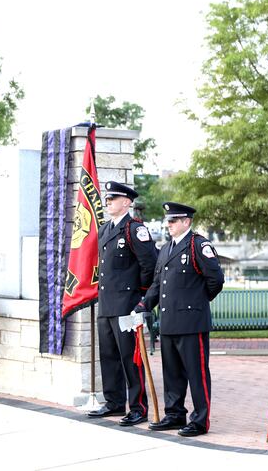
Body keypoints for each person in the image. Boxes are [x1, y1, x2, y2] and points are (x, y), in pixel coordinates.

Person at [134, 202, 224, 437]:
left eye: (174, 220)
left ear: (187, 222)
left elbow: (215, 280)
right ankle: (174, 414)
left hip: (192, 322)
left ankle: (200, 421)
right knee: (172, 372)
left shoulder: (198, 245)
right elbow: (157, 284)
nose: (169, 224)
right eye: (168, 220)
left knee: (197, 373)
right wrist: (144, 304)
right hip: (169, 322)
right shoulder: (166, 249)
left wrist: (197, 302)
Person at [88, 181, 158, 426]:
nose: (108, 202)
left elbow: (150, 265)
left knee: (131, 357)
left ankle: (138, 407)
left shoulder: (135, 229)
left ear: (127, 202)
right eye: (107, 199)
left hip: (127, 303)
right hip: (107, 303)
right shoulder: (106, 228)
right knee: (109, 356)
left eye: (113, 199)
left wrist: (139, 296)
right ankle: (115, 402)